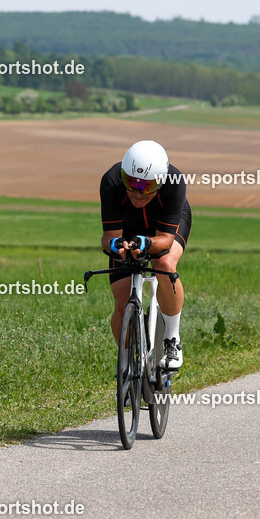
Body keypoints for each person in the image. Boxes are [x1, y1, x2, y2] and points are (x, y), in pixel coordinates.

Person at [99, 140, 190, 370]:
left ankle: (172, 340)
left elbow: (165, 241)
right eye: (131, 183)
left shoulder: (174, 181)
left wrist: (147, 243)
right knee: (121, 305)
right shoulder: (110, 180)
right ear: (122, 175)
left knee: (164, 262)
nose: (138, 193)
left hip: (164, 228)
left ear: (160, 182)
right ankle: (128, 366)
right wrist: (116, 245)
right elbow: (108, 236)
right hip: (129, 228)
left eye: (147, 187)